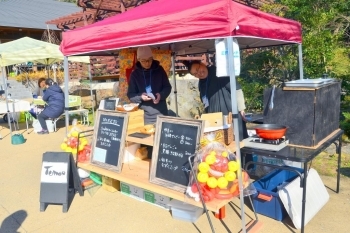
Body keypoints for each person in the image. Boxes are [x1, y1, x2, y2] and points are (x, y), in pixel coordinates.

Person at [183, 60, 249, 140]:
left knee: (237, 142)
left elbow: (236, 89)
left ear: (202, 64)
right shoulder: (201, 83)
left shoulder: (219, 73)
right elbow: (204, 101)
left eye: (197, 69)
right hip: (215, 120)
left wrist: (241, 109)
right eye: (195, 74)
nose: (198, 73)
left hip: (230, 115)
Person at [127, 46, 172, 124]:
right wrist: (140, 97)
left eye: (149, 60)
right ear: (139, 60)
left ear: (152, 58)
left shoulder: (159, 70)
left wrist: (160, 95)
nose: (147, 63)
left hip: (161, 112)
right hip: (145, 115)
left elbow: (167, 87)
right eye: (144, 61)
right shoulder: (135, 74)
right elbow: (131, 95)